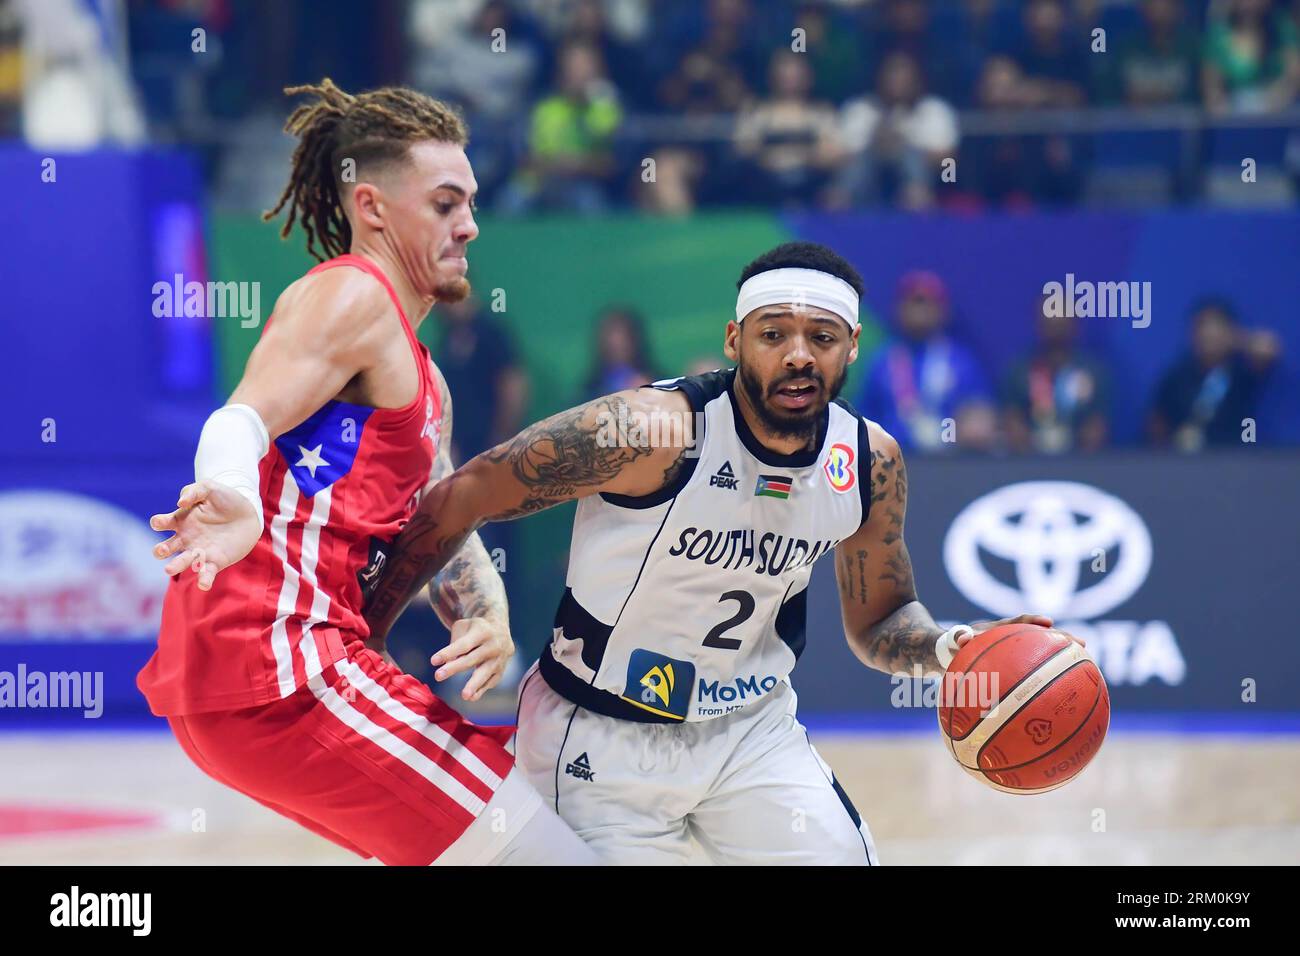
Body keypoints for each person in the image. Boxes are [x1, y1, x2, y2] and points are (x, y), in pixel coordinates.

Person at [362, 241, 1071, 865]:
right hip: (599, 738)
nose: (798, 354)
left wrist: (955, 649)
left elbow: (880, 622)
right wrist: (371, 634)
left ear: (852, 346)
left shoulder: (867, 460)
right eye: (774, 334)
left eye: (822, 336)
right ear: (735, 339)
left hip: (749, 734)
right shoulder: (647, 432)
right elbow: (463, 495)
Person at [139, 79, 597, 866]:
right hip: (282, 670)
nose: (471, 226)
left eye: (471, 203)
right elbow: (238, 419)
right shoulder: (354, 296)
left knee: (537, 818)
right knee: (546, 853)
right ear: (374, 208)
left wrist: (481, 611)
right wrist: (237, 496)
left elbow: (438, 516)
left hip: (279, 679)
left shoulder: (424, 377)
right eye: (446, 204)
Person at [855, 270, 997, 452]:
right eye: (913, 303)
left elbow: (981, 417)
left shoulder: (962, 363)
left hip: (951, 464)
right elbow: (862, 420)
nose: (919, 312)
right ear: (899, 309)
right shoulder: (882, 363)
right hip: (892, 463)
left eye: (926, 303)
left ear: (943, 310)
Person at [1147, 298, 1281, 450]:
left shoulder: (1242, 372)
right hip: (1185, 462)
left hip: (1236, 460)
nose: (1209, 335)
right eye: (1202, 328)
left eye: (1217, 328)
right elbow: (1157, 425)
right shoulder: (1176, 377)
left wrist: (1236, 339)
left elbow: (1269, 349)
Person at [1002, 300, 1111, 454]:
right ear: (1039, 322)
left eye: (1062, 316)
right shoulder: (1020, 371)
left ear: (1074, 322)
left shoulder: (1093, 372)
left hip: (1081, 462)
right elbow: (1013, 423)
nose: (1056, 324)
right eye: (1049, 316)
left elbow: (1098, 427)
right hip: (1028, 461)